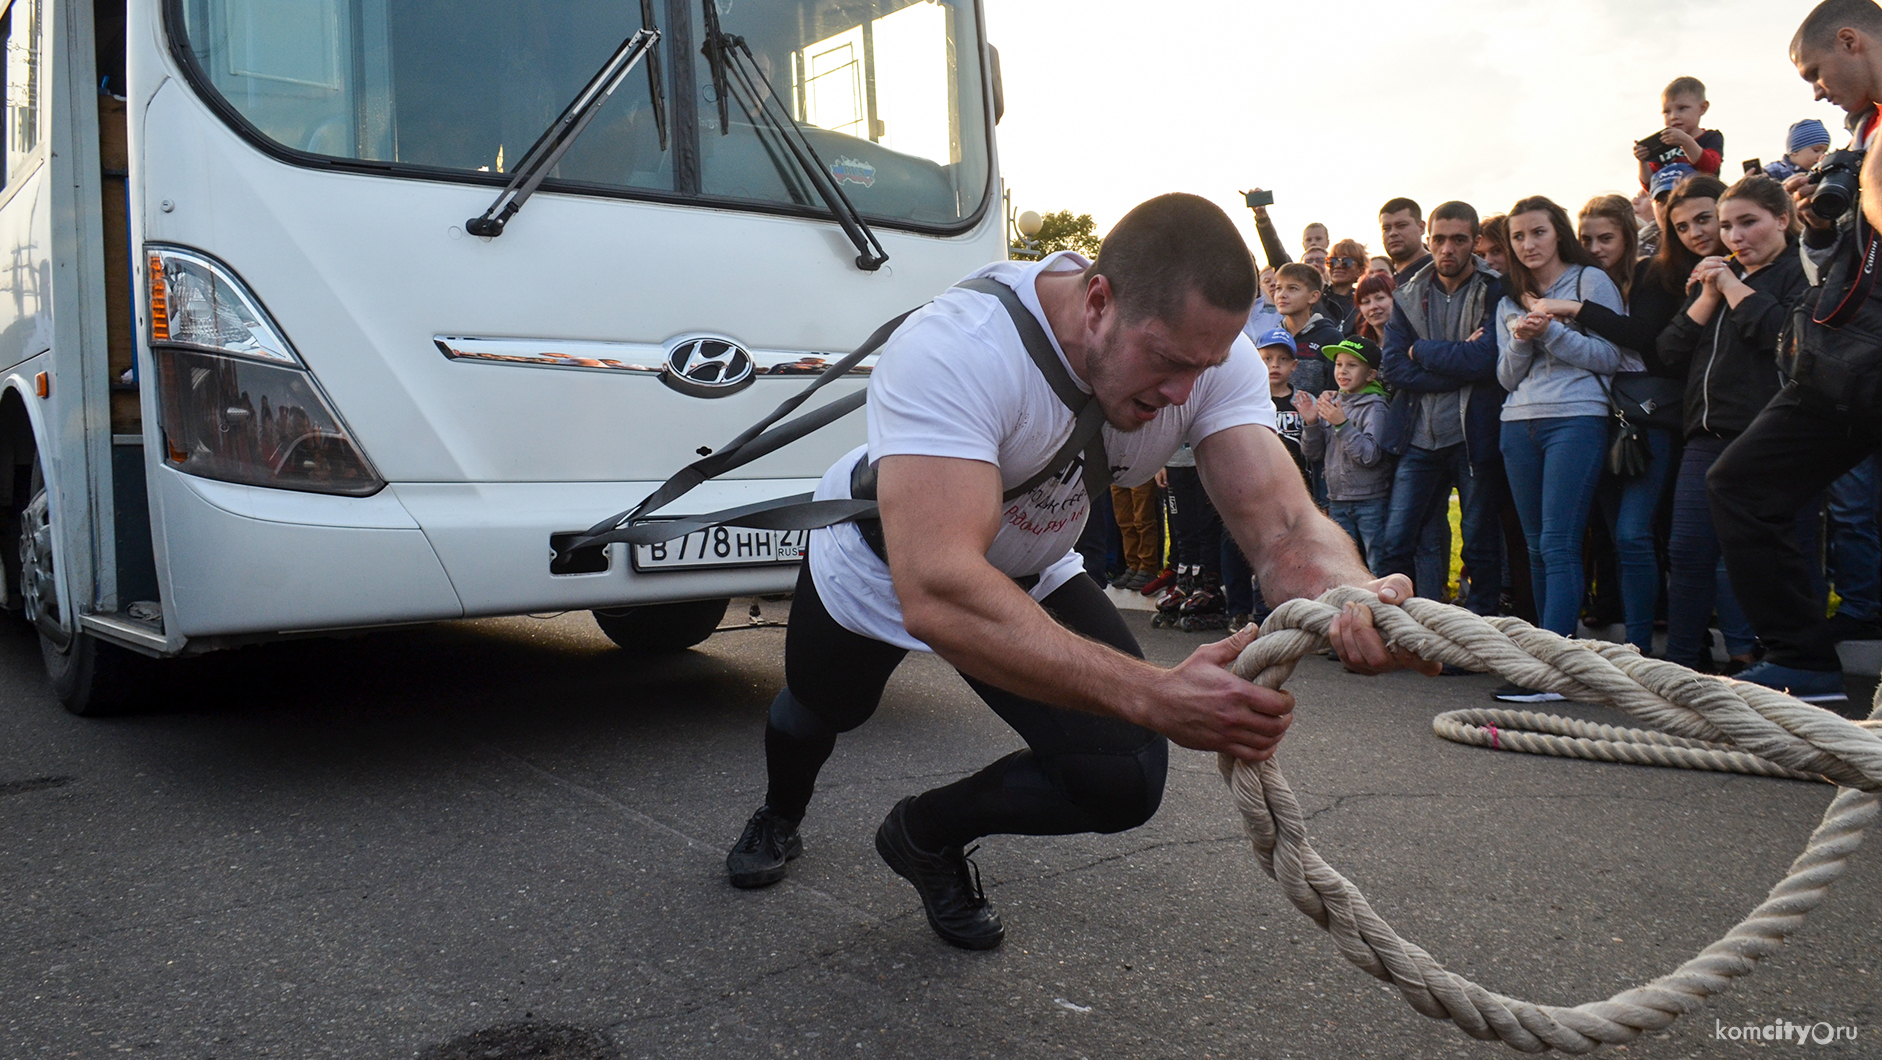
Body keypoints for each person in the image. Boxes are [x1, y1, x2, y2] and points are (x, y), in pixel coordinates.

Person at [722, 194, 1431, 951]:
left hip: (1028, 566)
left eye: (1203, 367)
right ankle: (779, 814)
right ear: (1098, 300)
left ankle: (922, 835)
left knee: (1119, 777)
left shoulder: (1198, 352)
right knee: (818, 711)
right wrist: (1156, 692)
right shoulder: (958, 347)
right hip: (885, 567)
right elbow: (940, 590)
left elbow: (1285, 528)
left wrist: (1352, 596)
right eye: (1165, 362)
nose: (1181, 395)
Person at [1710, 0, 1882, 706]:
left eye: (1816, 71)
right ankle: (1802, 662)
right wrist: (1818, 227)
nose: (1815, 88)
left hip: (1861, 361)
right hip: (1846, 365)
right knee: (1742, 485)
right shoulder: (1864, 136)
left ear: (1851, 40)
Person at [1525, 179, 1727, 655]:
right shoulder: (1580, 279)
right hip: (1605, 418)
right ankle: (1634, 643)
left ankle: (1650, 646)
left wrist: (1576, 310)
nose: (1596, 249)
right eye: (1587, 239)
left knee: (1637, 534)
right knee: (1619, 537)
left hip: (1652, 419)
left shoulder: (1650, 277)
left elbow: (1644, 340)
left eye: (1607, 239)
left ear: (1629, 238)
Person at [1658, 176, 1813, 681]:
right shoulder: (1718, 276)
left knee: (1765, 554)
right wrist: (1709, 292)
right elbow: (1671, 351)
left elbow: (1784, 338)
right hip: (1705, 435)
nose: (1735, 236)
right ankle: (1682, 662)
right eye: (1727, 226)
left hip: (1770, 435)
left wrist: (1731, 286)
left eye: (1749, 222)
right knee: (1687, 552)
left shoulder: (1799, 273)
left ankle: (1779, 662)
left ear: (1782, 219)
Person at [1496, 196, 1636, 698]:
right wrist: (1521, 339)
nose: (1528, 244)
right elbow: (1506, 377)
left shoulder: (1588, 281)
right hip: (1517, 425)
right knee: (1534, 545)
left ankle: (1555, 666)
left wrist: (1552, 333)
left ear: (1558, 232)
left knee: (1559, 542)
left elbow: (1610, 357)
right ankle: (1542, 656)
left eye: (1538, 232)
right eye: (1518, 237)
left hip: (1576, 419)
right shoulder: (1508, 297)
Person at [1377, 200, 1507, 616]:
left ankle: (1480, 635)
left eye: (1459, 239)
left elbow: (1487, 360)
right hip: (1419, 436)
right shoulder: (1409, 293)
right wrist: (1457, 365)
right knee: (1396, 540)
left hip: (1472, 435)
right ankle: (1396, 630)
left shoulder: (1495, 288)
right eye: (1440, 239)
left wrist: (1423, 351)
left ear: (1475, 241)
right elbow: (1394, 367)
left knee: (1480, 541)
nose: (1447, 249)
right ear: (1429, 239)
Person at [1299, 338, 1395, 567]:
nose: (1343, 370)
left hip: (1370, 501)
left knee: (1376, 562)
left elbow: (1370, 456)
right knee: (1344, 563)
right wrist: (1311, 423)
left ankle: (1378, 603)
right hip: (1337, 500)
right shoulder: (1332, 402)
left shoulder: (1376, 407)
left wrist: (1342, 424)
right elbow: (1313, 454)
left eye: (1352, 365)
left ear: (1371, 375)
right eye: (1339, 364)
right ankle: (1350, 602)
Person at [1634, 76, 1725, 188]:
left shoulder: (1711, 137)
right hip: (1671, 201)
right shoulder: (1661, 143)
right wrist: (1643, 162)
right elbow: (1651, 184)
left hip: (1702, 198)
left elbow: (1709, 169)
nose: (1673, 117)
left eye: (1682, 108)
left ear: (1702, 108)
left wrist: (1686, 142)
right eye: (1667, 112)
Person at [1272, 262, 1344, 398]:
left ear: (1313, 296)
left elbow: (1336, 392)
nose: (1282, 295)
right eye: (1278, 288)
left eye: (1292, 288)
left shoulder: (1331, 338)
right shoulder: (1271, 338)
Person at [1380, 198, 1433, 283]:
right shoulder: (1383, 283)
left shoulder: (1439, 274)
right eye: (1386, 229)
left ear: (1421, 227)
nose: (1392, 233)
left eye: (1401, 225)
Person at [1764, 118, 1833, 181]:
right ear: (1795, 151)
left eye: (1825, 152)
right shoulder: (1775, 170)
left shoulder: (1820, 173)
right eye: (1816, 150)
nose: (1821, 156)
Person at [1323, 238, 1369, 329]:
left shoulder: (1365, 303)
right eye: (1333, 261)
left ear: (1360, 270)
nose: (1338, 266)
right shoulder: (1315, 299)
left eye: (1346, 262)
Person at [1352, 271, 1397, 346]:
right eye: (1366, 302)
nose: (1373, 307)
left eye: (1380, 298)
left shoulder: (1413, 338)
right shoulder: (1361, 346)